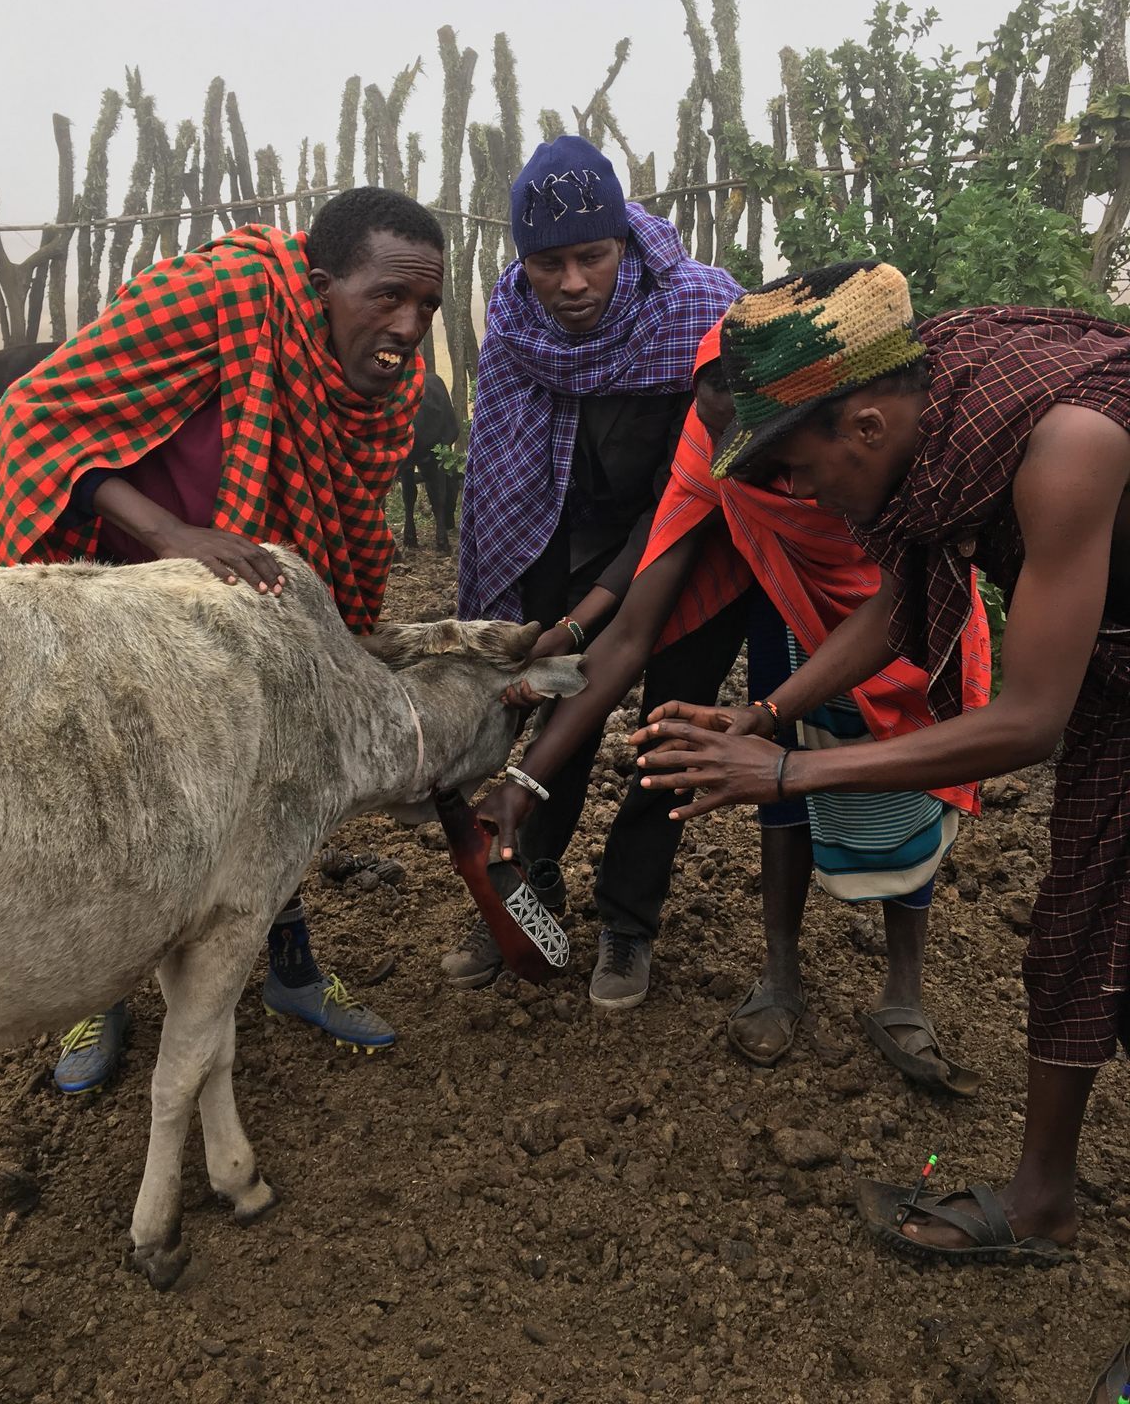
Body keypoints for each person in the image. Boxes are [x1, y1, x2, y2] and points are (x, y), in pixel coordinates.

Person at [631, 261, 1130, 1385]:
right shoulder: (938, 401)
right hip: (1120, 680)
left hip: (1089, 690)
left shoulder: (1068, 448)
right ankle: (1041, 1204)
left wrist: (789, 776)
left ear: (862, 419)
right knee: (1074, 935)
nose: (802, 498)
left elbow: (1030, 719)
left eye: (801, 468)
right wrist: (764, 713)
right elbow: (898, 606)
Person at [0, 187, 445, 1091]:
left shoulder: (394, 384)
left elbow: (343, 519)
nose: (410, 325)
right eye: (387, 296)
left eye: (427, 305)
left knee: (280, 768)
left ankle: (292, 969)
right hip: (122, 590)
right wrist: (173, 539)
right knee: (106, 788)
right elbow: (31, 422)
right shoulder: (219, 294)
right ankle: (94, 1001)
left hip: (252, 606)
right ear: (317, 286)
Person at [479, 324, 988, 1083]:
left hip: (906, 614)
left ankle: (903, 993)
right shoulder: (716, 447)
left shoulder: (906, 444)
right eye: (719, 441)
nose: (735, 467)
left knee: (908, 794)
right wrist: (523, 782)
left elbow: (905, 599)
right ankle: (780, 976)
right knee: (773, 789)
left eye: (754, 447)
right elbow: (625, 642)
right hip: (788, 602)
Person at [449, 135, 742, 1005]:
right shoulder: (511, 323)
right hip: (560, 537)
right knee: (551, 704)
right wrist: (568, 610)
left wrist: (599, 608)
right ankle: (528, 884)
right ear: (521, 260)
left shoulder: (699, 311)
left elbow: (690, 482)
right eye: (548, 262)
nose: (572, 283)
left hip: (693, 535)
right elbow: (501, 460)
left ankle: (629, 919)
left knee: (669, 729)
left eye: (593, 256)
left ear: (624, 244)